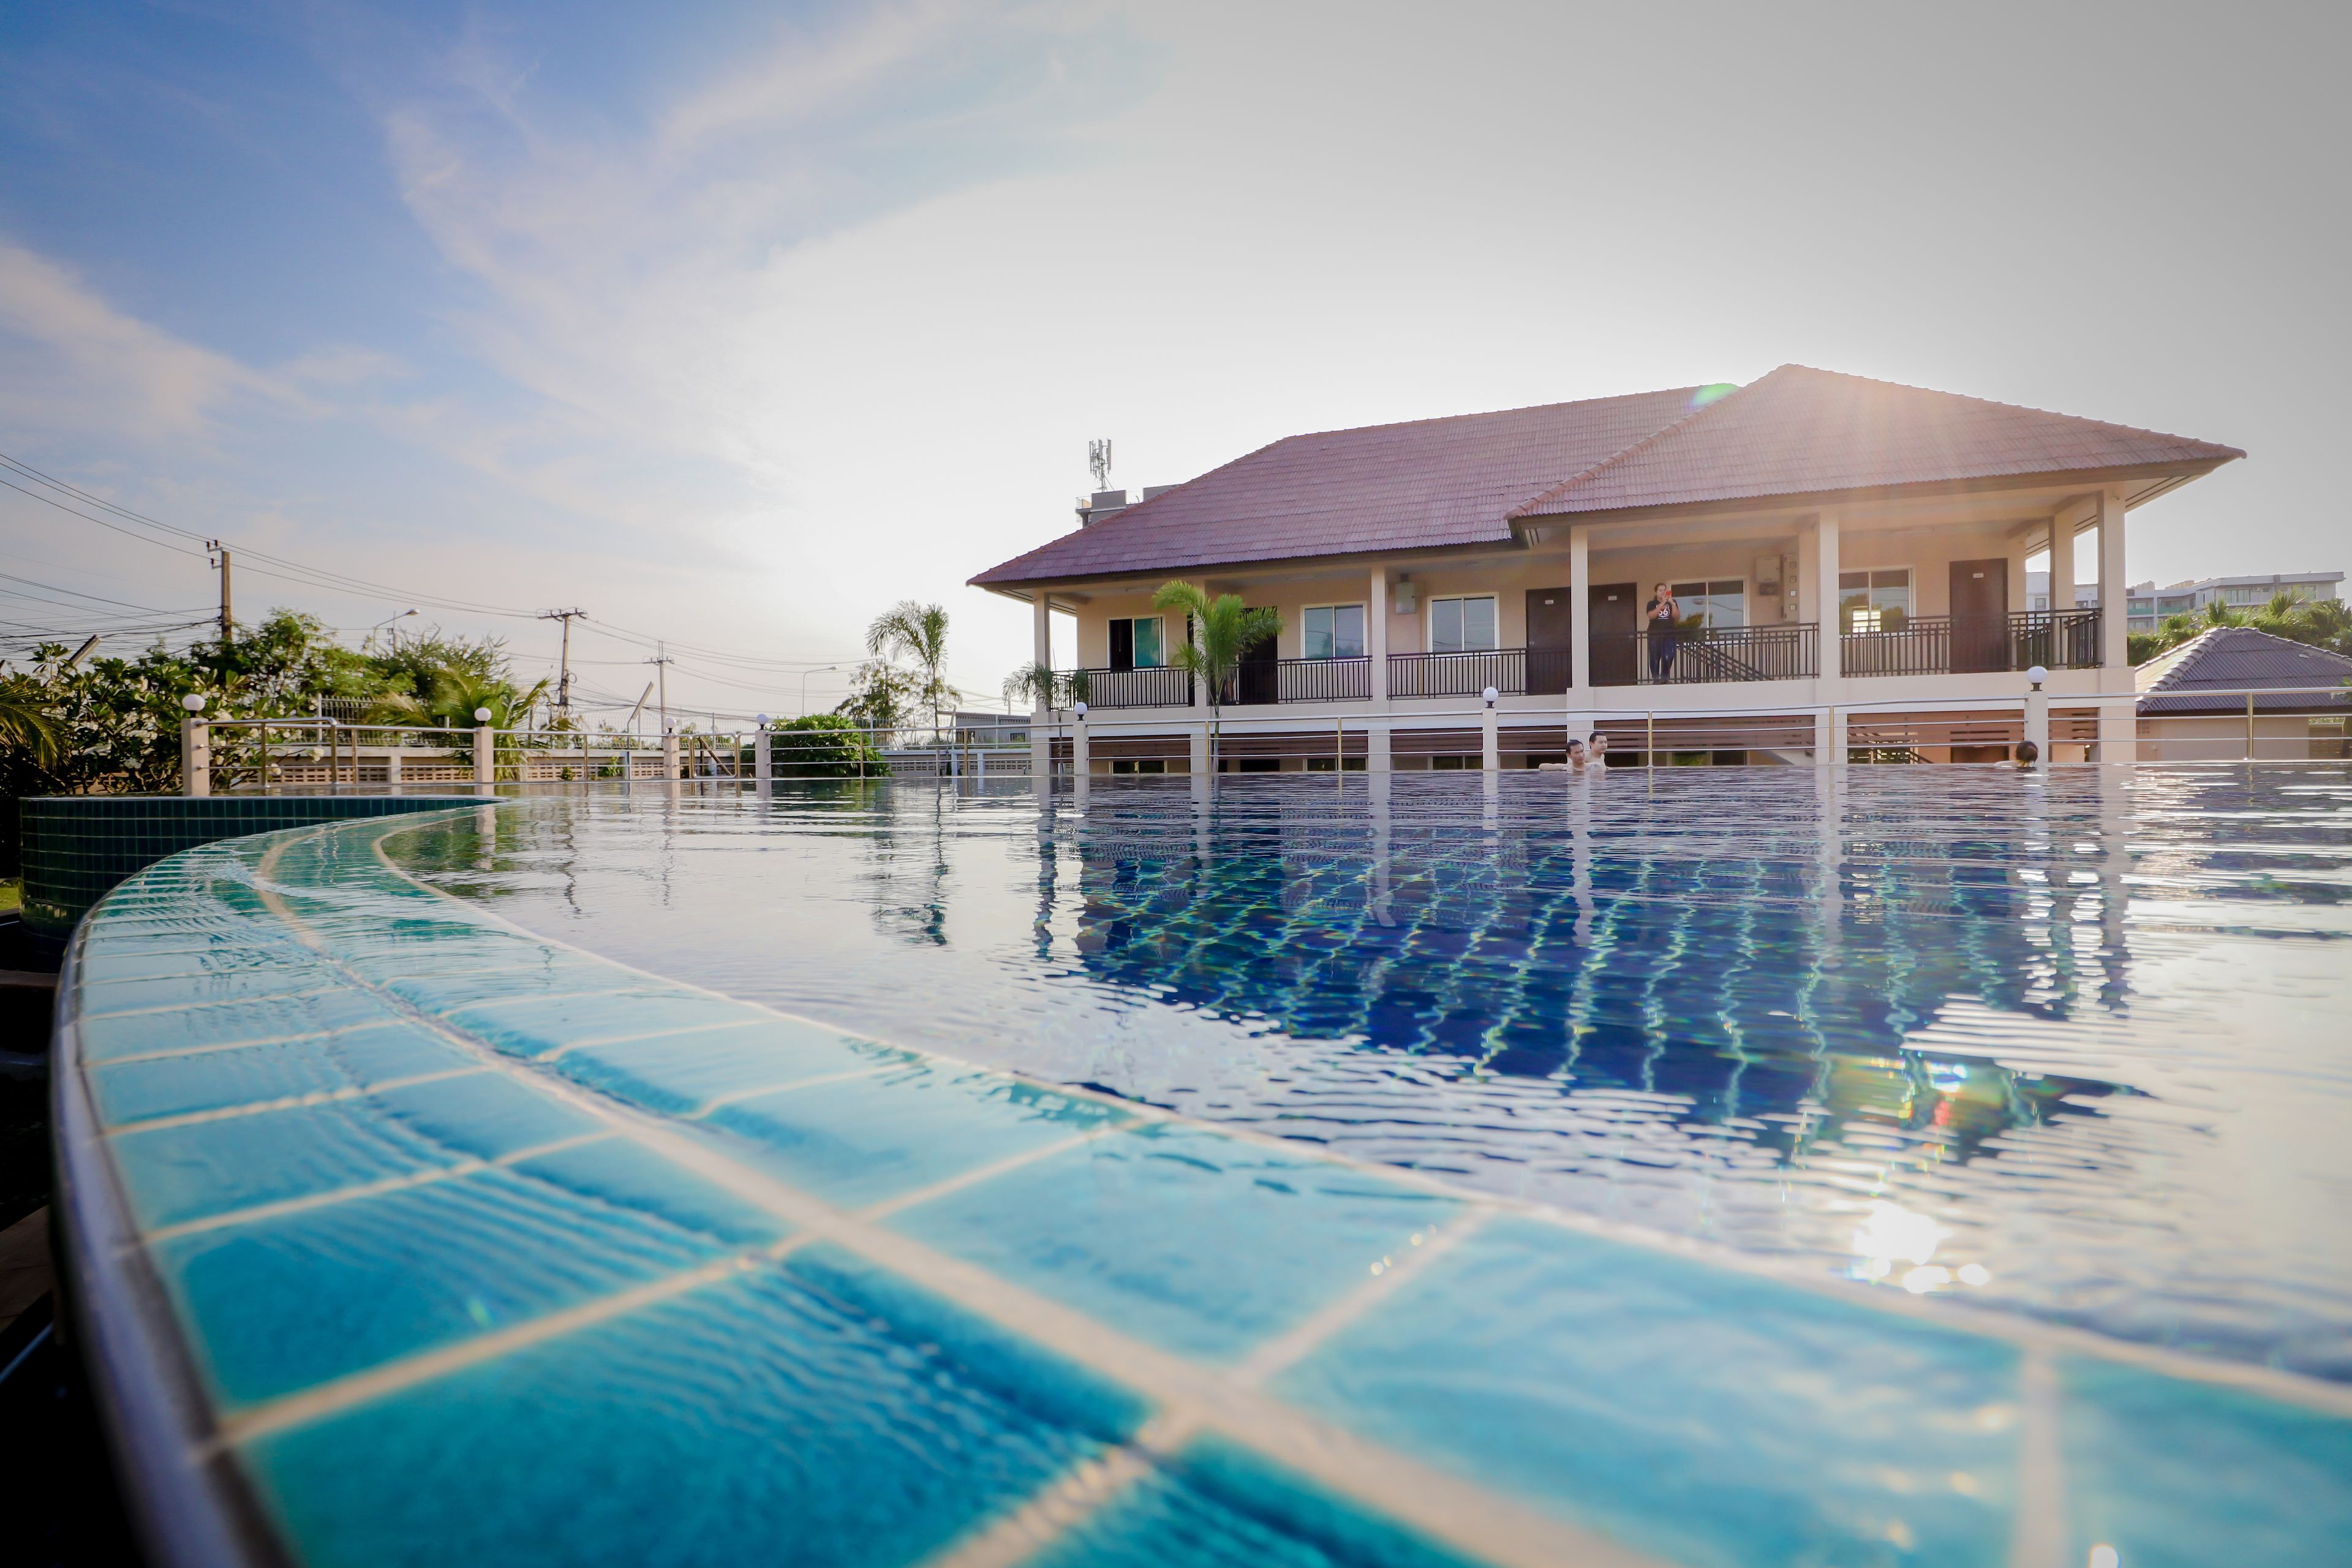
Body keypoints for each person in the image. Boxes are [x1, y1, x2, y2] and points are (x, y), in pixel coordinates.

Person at [1644, 583, 1679, 683]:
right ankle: (1656, 678)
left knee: (1669, 655)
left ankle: (1665, 678)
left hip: (1669, 633)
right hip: (1655, 634)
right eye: (1660, 590)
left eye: (1664, 590)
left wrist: (1672, 604)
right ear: (1656, 592)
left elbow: (1676, 616)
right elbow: (1651, 616)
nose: (1663, 592)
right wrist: (1662, 604)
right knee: (1655, 656)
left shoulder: (1673, 602)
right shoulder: (1651, 603)